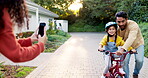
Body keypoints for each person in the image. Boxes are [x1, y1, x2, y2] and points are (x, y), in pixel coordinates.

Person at [115, 11, 144, 78]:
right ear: (116, 21)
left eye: (123, 21)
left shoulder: (133, 25)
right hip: (126, 46)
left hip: (137, 44)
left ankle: (136, 73)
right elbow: (113, 39)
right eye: (119, 22)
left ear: (126, 19)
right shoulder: (117, 28)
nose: (121, 24)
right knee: (124, 62)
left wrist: (122, 49)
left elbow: (131, 37)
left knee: (140, 60)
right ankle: (126, 77)